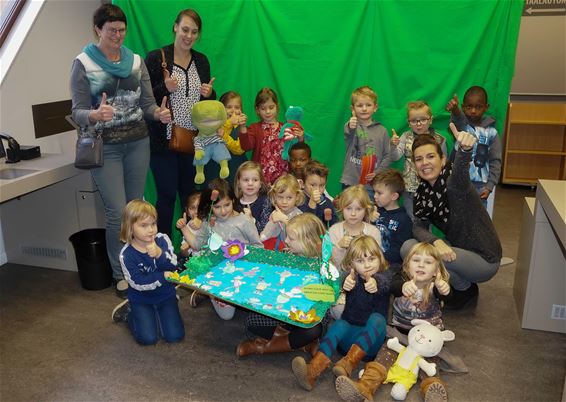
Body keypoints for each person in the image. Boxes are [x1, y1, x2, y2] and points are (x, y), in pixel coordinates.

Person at [70, 4, 172, 298]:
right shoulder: (83, 63)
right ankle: (120, 274)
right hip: (106, 148)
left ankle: (140, 266)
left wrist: (159, 114)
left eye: (122, 30)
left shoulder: (136, 61)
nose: (117, 35)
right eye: (111, 30)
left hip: (138, 143)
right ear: (97, 30)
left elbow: (147, 105)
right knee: (117, 212)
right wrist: (93, 115)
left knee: (136, 209)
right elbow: (76, 111)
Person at [335, 242, 451, 402]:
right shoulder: (399, 280)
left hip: (427, 341)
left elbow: (446, 295)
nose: (421, 265)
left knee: (429, 366)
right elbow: (393, 286)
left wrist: (444, 288)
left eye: (428, 262)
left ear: (436, 271)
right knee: (382, 359)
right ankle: (364, 387)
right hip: (399, 335)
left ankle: (432, 389)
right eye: (416, 260)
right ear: (407, 266)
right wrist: (403, 287)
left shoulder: (435, 287)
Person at [401, 126, 502, 310]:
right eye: (419, 159)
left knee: (433, 256)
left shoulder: (453, 182)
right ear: (414, 165)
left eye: (430, 156)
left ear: (443, 159)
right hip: (459, 251)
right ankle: (462, 285)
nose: (425, 163)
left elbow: (460, 171)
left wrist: (464, 149)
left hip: (485, 258)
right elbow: (418, 227)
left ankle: (463, 291)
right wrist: (436, 241)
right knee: (408, 248)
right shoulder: (423, 193)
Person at [145, 8, 216, 239]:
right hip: (163, 141)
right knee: (165, 197)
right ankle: (163, 251)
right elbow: (144, 98)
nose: (189, 36)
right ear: (175, 27)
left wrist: (209, 93)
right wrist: (166, 87)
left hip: (193, 141)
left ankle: (192, 250)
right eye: (185, 29)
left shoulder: (202, 61)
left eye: (194, 32)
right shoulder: (157, 58)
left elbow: (206, 106)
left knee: (191, 197)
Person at [292, 236, 389, 392]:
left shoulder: (384, 277)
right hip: (347, 342)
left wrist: (375, 283)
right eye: (360, 261)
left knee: (377, 319)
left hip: (370, 345)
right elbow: (340, 279)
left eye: (372, 259)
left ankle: (348, 364)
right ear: (351, 264)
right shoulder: (350, 277)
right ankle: (312, 371)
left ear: (380, 258)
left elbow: (386, 283)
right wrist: (344, 284)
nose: (367, 265)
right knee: (340, 324)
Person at [236, 213, 325, 357]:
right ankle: (300, 343)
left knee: (314, 330)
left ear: (307, 241)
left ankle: (262, 347)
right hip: (280, 310)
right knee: (252, 322)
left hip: (303, 315)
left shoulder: (323, 265)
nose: (286, 240)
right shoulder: (287, 256)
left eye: (291, 238)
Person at [182, 179, 263, 320]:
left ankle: (212, 293)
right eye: (218, 207)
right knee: (227, 316)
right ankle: (209, 293)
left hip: (243, 270)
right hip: (219, 274)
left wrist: (244, 255)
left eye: (227, 205)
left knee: (251, 303)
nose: (223, 210)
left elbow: (258, 247)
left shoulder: (244, 222)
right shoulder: (208, 222)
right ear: (210, 205)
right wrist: (183, 228)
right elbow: (197, 245)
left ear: (233, 200)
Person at [110, 200, 184, 346]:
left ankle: (162, 312)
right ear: (130, 228)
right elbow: (137, 282)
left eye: (153, 224)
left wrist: (159, 254)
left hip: (165, 295)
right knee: (148, 339)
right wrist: (161, 276)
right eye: (143, 225)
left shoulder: (162, 240)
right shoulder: (127, 254)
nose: (151, 230)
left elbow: (174, 266)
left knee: (174, 336)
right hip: (141, 299)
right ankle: (129, 313)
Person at [445, 86, 501, 217]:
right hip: (458, 180)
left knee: (478, 218)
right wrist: (455, 109)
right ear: (463, 107)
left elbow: (495, 161)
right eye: (469, 107)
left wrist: (489, 185)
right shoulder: (462, 126)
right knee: (456, 216)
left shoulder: (492, 133)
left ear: (486, 107)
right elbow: (458, 120)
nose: (473, 111)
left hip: (480, 185)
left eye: (478, 107)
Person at [329, 185, 382, 320]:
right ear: (342, 209)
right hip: (341, 282)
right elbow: (332, 266)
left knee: (369, 311)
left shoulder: (373, 232)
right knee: (341, 311)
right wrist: (339, 247)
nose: (353, 214)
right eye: (348, 209)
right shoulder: (334, 231)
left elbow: (379, 264)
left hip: (366, 282)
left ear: (365, 210)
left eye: (358, 209)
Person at [389, 101, 447, 219]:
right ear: (408, 123)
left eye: (423, 119)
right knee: (412, 220)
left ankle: (427, 238)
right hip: (410, 189)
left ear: (430, 120)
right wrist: (393, 145)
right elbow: (395, 156)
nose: (419, 124)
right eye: (414, 120)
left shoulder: (439, 140)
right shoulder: (406, 136)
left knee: (427, 221)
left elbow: (444, 164)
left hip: (431, 189)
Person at [239, 87, 304, 185]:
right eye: (263, 108)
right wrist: (243, 128)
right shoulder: (255, 128)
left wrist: (300, 138)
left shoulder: (286, 128)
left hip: (284, 179)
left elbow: (295, 150)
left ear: (277, 107)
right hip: (261, 180)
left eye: (271, 107)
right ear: (257, 110)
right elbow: (246, 146)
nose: (268, 112)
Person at [340, 86, 391, 198]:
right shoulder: (352, 126)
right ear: (352, 109)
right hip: (351, 182)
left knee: (370, 214)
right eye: (359, 105)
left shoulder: (382, 131)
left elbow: (388, 156)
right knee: (349, 212)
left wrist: (377, 173)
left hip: (372, 186)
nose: (364, 109)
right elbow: (348, 130)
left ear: (375, 107)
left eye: (368, 105)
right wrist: (350, 124)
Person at [371, 169, 412, 268]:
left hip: (389, 265)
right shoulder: (374, 211)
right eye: (374, 192)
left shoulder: (404, 219)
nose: (375, 196)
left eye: (379, 193)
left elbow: (398, 250)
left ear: (394, 196)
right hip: (368, 260)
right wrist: (368, 219)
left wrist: (378, 260)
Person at [260, 174, 304, 249]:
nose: (284, 202)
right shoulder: (276, 213)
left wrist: (284, 219)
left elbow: (298, 237)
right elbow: (268, 233)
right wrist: (272, 222)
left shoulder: (299, 215)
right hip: (280, 250)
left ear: (297, 197)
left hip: (295, 252)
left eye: (289, 198)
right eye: (280, 197)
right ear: (275, 196)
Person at [216, 91, 249, 183]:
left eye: (237, 107)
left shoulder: (242, 128)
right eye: (229, 107)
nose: (233, 110)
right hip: (217, 171)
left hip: (236, 169)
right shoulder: (215, 125)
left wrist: (224, 136)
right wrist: (229, 122)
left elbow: (239, 149)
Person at [234, 161, 272, 234]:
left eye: (255, 180)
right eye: (246, 180)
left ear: (260, 183)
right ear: (238, 183)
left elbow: (265, 231)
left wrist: (251, 219)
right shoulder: (234, 203)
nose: (250, 183)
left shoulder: (265, 201)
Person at [299, 160, 338, 226]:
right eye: (313, 185)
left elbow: (334, 224)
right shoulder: (298, 201)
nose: (317, 189)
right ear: (302, 184)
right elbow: (305, 226)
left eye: (321, 185)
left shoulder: (327, 203)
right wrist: (312, 203)